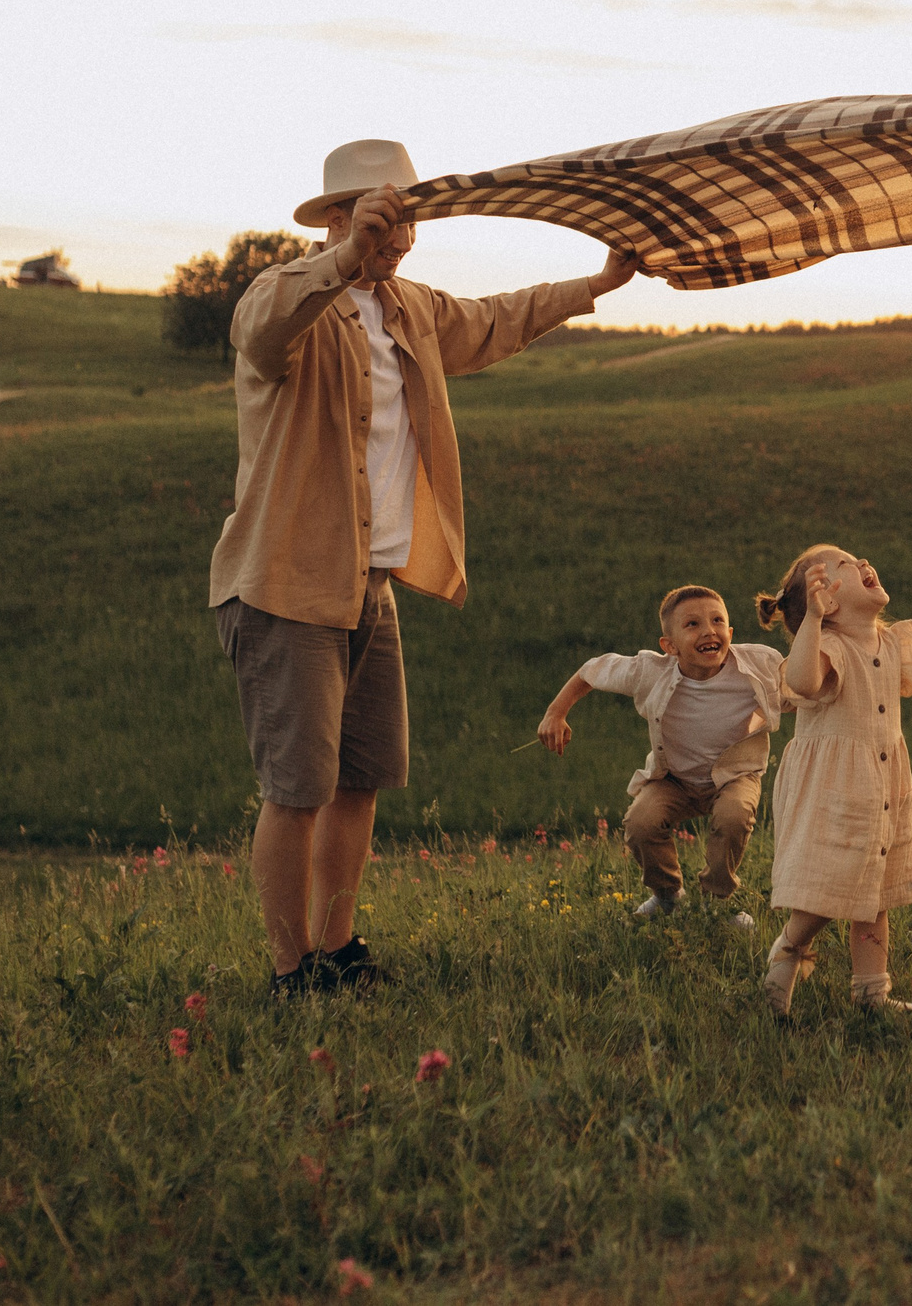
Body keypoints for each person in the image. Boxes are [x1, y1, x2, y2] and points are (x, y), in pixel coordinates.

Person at [210, 138, 638, 998]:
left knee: (360, 778)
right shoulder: (283, 298)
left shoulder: (410, 309)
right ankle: (289, 971)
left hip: (372, 585)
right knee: (296, 789)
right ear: (335, 219)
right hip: (288, 584)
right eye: (378, 222)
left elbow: (495, 319)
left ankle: (337, 951)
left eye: (405, 224)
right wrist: (342, 258)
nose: (395, 242)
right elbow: (264, 328)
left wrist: (595, 284)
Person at [753, 545, 912, 1017]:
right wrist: (812, 624)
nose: (862, 562)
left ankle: (872, 993)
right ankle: (787, 950)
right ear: (829, 602)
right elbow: (801, 682)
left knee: (875, 894)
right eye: (844, 564)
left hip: (882, 787)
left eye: (857, 556)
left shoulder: (885, 644)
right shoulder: (828, 647)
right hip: (835, 790)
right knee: (830, 887)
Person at [535, 584, 785, 930]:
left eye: (716, 621)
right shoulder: (650, 671)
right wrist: (555, 713)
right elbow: (592, 670)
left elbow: (804, 684)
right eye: (692, 625)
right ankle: (668, 897)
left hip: (735, 776)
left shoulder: (760, 665)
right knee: (640, 823)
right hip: (675, 779)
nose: (708, 631)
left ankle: (715, 904)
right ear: (669, 647)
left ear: (730, 632)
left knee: (733, 817)